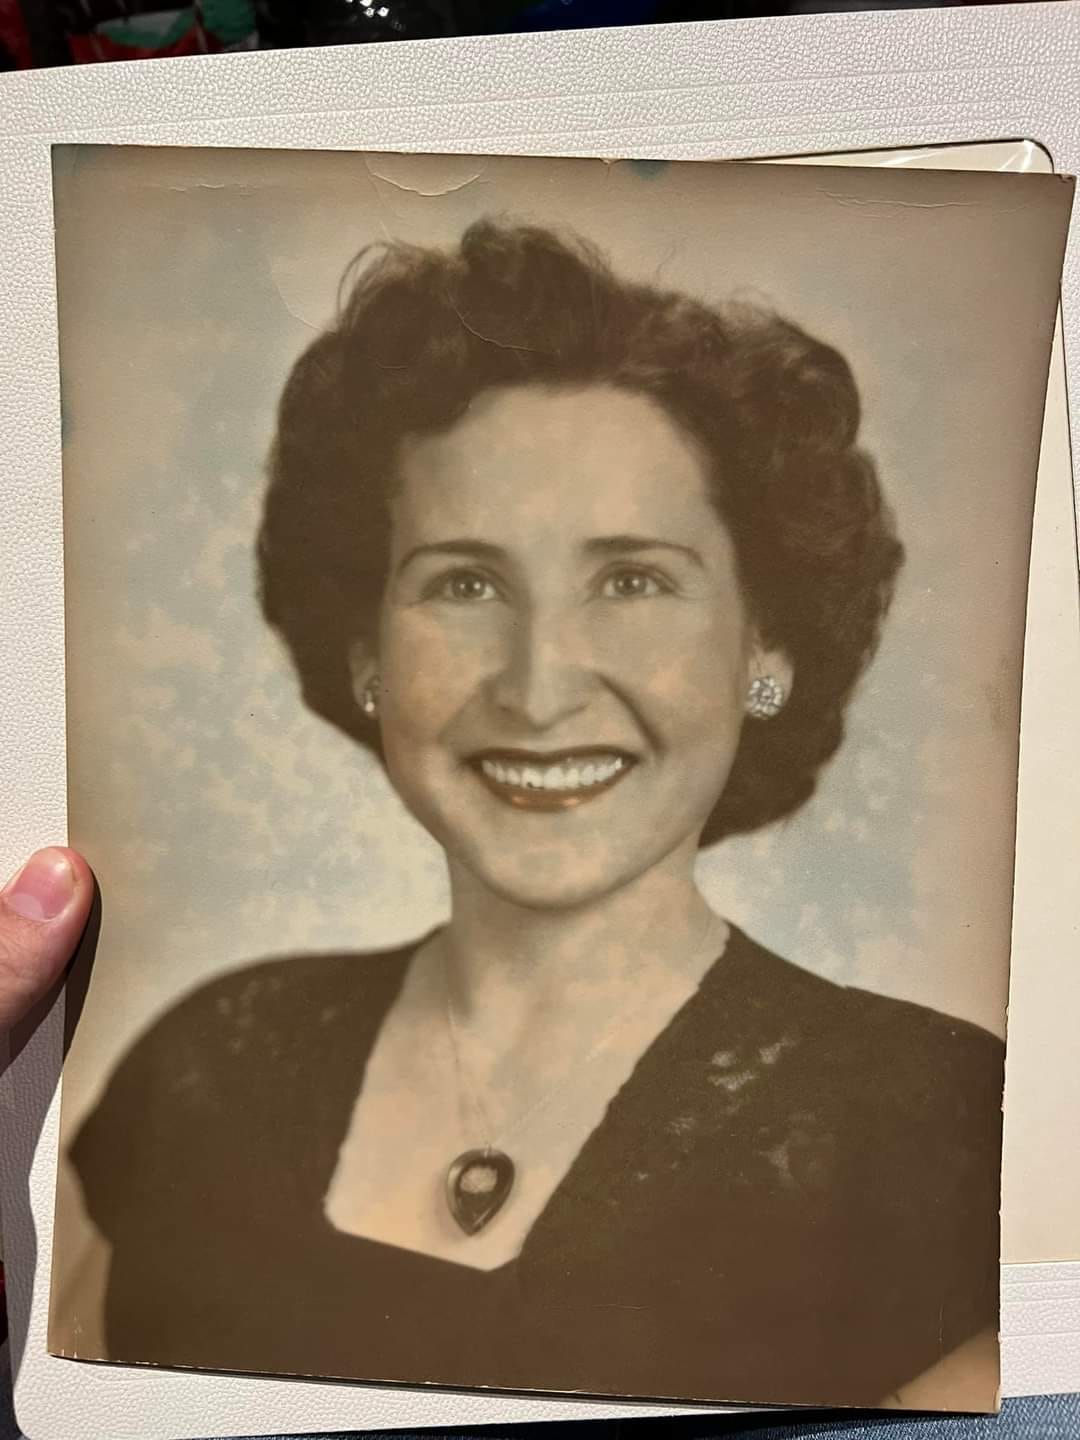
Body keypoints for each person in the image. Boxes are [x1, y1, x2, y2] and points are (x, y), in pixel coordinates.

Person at [69, 221, 1004, 1409]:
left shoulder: (939, 1126)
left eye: (632, 580)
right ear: (365, 651)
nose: (539, 685)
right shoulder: (205, 1067)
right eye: (464, 582)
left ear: (765, 648)